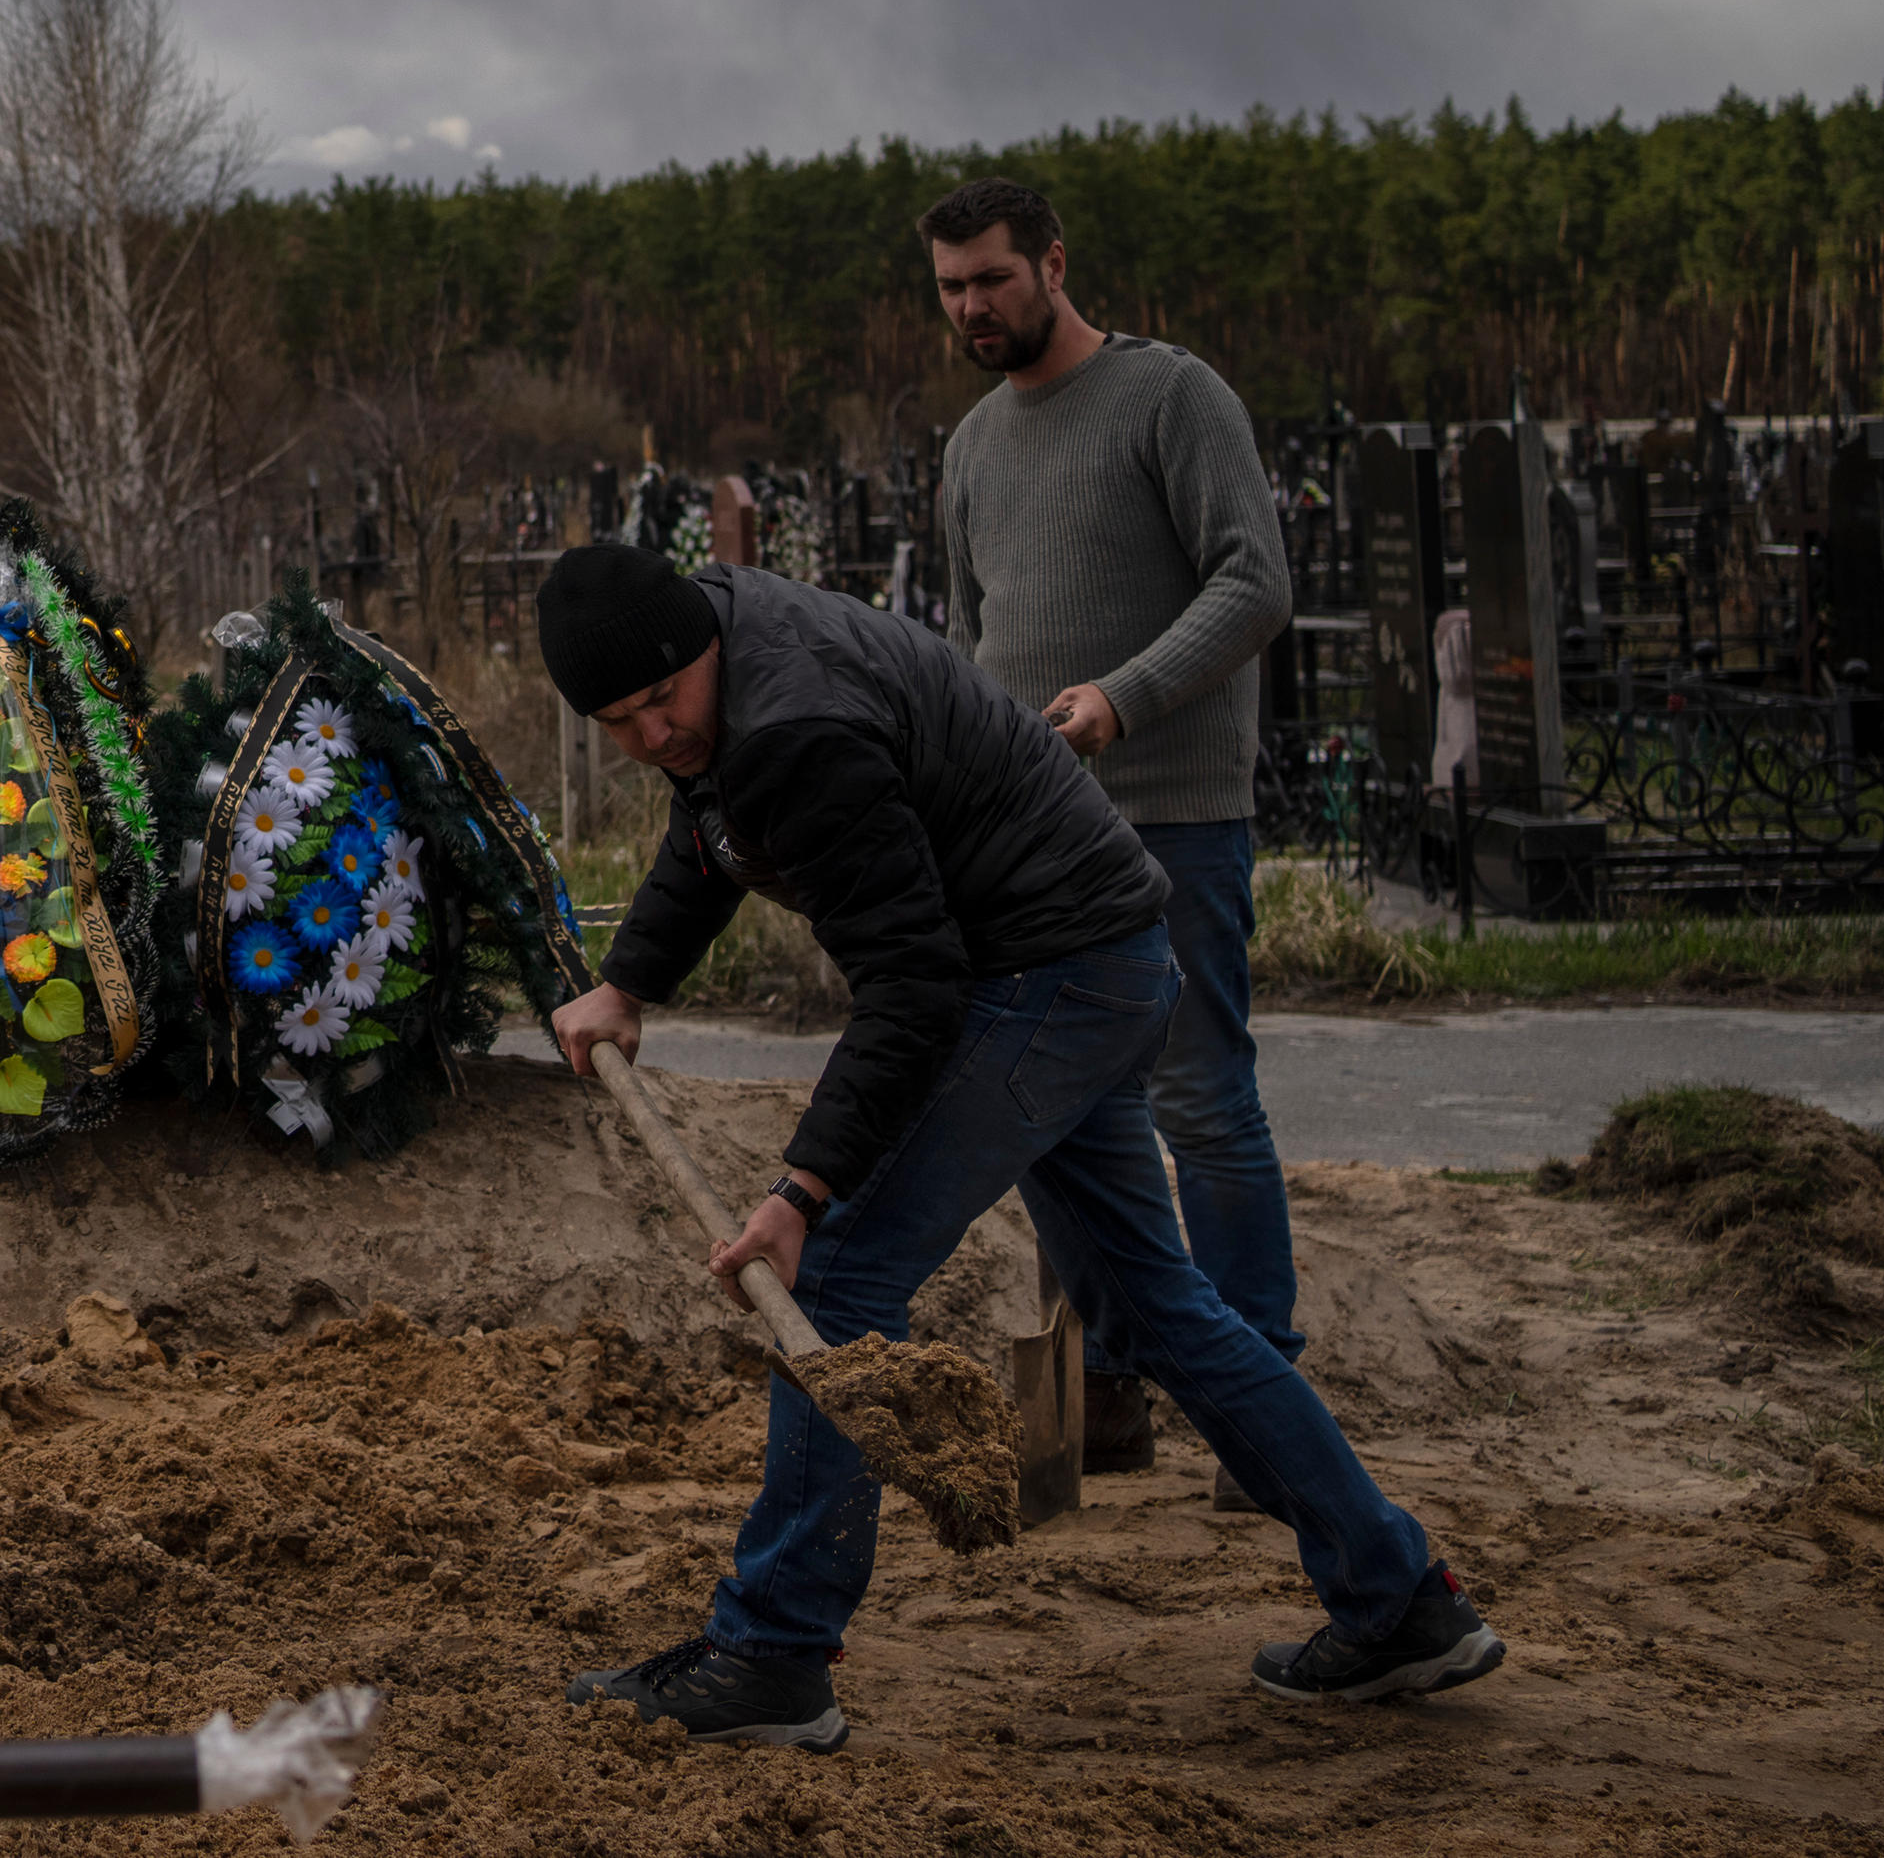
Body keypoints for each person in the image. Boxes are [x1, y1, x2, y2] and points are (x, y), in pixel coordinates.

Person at [536, 541, 1501, 1752]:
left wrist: (802, 1188)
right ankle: (1400, 1598)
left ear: (700, 649)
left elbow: (909, 989)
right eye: (614, 722)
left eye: (659, 703)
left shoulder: (795, 722)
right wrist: (628, 980)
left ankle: (772, 1655)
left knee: (830, 1282)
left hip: (1043, 977)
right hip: (1092, 956)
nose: (649, 738)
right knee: (1154, 1304)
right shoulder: (721, 659)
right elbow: (711, 821)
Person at [922, 178, 1299, 1490]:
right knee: (1056, 1117)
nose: (973, 305)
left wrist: (1122, 701)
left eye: (993, 279)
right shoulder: (971, 446)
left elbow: (1256, 581)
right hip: (1035, 837)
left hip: (1172, 817)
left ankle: (1262, 1415)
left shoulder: (1170, 397)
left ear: (1055, 265)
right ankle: (1109, 1394)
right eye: (952, 286)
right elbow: (978, 642)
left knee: (1200, 1103)